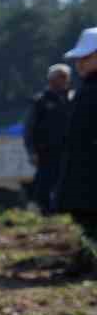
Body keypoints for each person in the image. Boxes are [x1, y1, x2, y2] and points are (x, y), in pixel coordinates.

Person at [56, 27, 97, 278]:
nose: (79, 63)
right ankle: (85, 263)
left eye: (86, 56)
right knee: (86, 221)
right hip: (83, 173)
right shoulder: (87, 89)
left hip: (90, 177)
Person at [26, 64, 75, 214]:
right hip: (46, 151)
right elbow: (30, 128)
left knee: (68, 182)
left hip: (68, 150)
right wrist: (32, 151)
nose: (63, 81)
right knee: (45, 183)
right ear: (51, 79)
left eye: (65, 78)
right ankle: (45, 212)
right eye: (59, 77)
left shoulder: (73, 98)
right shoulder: (41, 101)